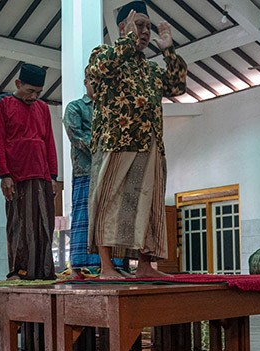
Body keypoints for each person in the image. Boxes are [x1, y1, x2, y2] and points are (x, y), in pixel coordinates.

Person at [86, 1, 187, 279]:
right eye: (139, 25)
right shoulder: (104, 54)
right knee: (108, 201)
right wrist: (128, 40)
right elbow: (100, 71)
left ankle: (145, 266)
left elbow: (177, 85)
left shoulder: (151, 69)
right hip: (116, 141)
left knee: (148, 204)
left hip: (150, 143)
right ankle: (107, 267)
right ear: (123, 27)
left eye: (147, 27)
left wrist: (168, 50)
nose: (144, 32)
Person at [0, 64, 58, 280]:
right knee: (19, 225)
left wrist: (53, 176)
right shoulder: (1, 103)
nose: (34, 97)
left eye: (38, 92)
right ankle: (18, 271)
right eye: (30, 91)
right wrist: (4, 175)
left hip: (42, 174)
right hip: (16, 175)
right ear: (18, 83)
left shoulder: (43, 108)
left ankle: (44, 271)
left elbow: (49, 141)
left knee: (44, 225)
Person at [63, 76, 122, 274]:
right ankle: (81, 266)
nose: (98, 86)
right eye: (94, 81)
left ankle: (114, 265)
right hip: (86, 171)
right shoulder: (75, 107)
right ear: (86, 81)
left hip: (111, 173)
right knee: (84, 217)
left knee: (110, 218)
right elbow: (76, 136)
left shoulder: (112, 109)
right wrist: (105, 154)